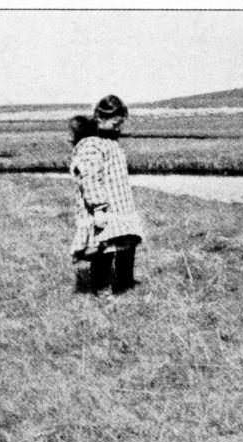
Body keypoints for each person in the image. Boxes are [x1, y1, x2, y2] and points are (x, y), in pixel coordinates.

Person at [68, 95, 144, 295]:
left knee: (127, 248)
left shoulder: (111, 143)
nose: (119, 128)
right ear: (100, 118)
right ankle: (102, 291)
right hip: (104, 209)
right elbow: (90, 178)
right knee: (104, 251)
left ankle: (126, 285)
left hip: (120, 209)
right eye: (116, 123)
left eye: (121, 124)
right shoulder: (91, 145)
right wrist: (99, 208)